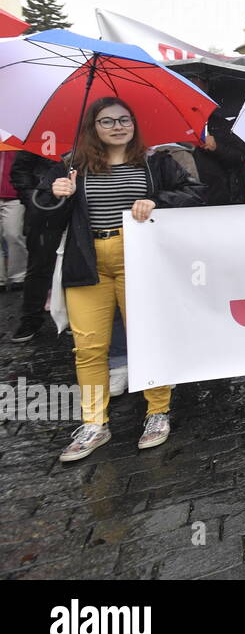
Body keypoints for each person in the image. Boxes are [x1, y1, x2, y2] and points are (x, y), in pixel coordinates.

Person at [30, 97, 205, 461]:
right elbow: (42, 217)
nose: (117, 126)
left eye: (124, 119)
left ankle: (157, 412)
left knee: (147, 336)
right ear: (93, 127)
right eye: (107, 121)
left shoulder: (155, 161)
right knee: (89, 347)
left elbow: (194, 193)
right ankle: (95, 422)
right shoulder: (70, 165)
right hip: (87, 260)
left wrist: (158, 201)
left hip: (139, 259)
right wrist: (56, 194)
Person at [6, 151, 59, 342]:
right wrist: (35, 200)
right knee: (39, 266)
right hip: (42, 212)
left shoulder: (90, 137)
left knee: (76, 265)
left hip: (78, 210)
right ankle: (30, 319)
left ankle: (71, 316)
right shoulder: (41, 139)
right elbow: (20, 172)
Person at [0, 150, 25, 292]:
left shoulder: (16, 136)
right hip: (11, 193)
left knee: (13, 234)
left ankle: (18, 276)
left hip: (13, 194)